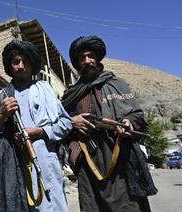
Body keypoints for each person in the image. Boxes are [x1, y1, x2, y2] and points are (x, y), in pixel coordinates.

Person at [62, 35, 157, 212]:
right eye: (82, 58)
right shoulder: (71, 94)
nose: (87, 61)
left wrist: (129, 123)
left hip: (120, 156)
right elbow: (60, 122)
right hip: (89, 161)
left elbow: (137, 114)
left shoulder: (117, 84)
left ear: (97, 58)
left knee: (129, 206)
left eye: (90, 56)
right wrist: (72, 122)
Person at [0, 39, 72, 212]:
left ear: (32, 65)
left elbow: (66, 123)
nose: (21, 66)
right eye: (16, 62)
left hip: (45, 163)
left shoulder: (44, 89)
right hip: (12, 167)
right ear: (10, 66)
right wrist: (1, 116)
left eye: (25, 61)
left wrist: (40, 131)